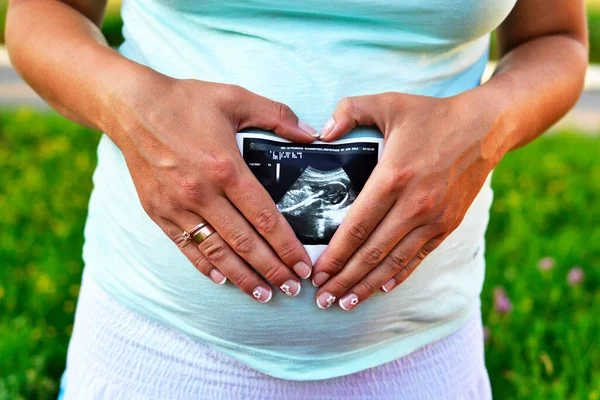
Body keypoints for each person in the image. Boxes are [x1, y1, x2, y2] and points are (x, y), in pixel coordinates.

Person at [6, 0, 588, 398]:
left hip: (422, 358)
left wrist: (485, 127)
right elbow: (42, 14)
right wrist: (137, 112)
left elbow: (555, 38)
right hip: (153, 350)